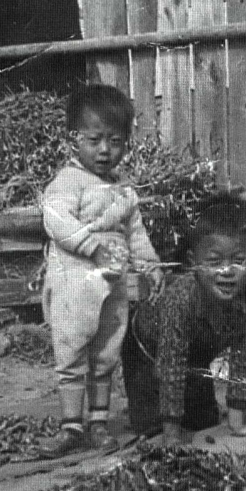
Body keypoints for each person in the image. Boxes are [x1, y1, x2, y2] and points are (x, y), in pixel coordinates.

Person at [39, 84, 162, 456]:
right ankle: (70, 425)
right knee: (72, 349)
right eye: (94, 141)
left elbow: (136, 232)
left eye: (115, 141)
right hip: (74, 282)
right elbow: (57, 221)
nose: (105, 150)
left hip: (112, 285)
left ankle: (98, 423)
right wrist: (92, 247)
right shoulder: (68, 181)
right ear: (74, 139)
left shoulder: (124, 190)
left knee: (107, 352)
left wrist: (150, 264)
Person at [121, 193, 246, 445]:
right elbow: (171, 364)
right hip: (146, 350)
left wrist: (237, 423)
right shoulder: (182, 298)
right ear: (193, 263)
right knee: (153, 428)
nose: (227, 271)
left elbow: (244, 357)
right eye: (214, 262)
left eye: (239, 261)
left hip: (195, 356)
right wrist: (171, 436)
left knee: (204, 422)